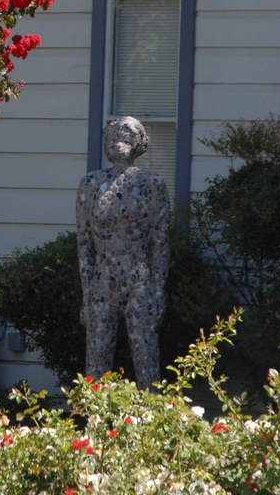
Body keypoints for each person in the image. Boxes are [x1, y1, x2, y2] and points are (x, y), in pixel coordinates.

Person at [76, 115, 170, 389]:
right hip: (102, 284)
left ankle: (152, 423)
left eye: (127, 136)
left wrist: (157, 292)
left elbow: (160, 245)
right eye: (113, 137)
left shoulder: (152, 184)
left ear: (138, 142)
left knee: (146, 360)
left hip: (139, 282)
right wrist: (87, 295)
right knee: (95, 362)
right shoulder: (91, 185)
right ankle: (94, 425)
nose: (119, 141)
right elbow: (84, 244)